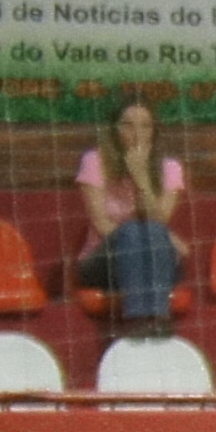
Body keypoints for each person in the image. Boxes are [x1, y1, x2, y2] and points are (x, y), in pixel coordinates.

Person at [76, 100, 187, 332]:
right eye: (128, 125)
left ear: (154, 132)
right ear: (114, 130)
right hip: (105, 261)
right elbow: (101, 224)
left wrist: (141, 177)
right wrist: (156, 236)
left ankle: (150, 323)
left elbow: (160, 220)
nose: (137, 133)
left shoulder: (171, 168)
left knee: (153, 232)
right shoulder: (94, 161)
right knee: (137, 231)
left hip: (156, 261)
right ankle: (143, 321)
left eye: (145, 126)